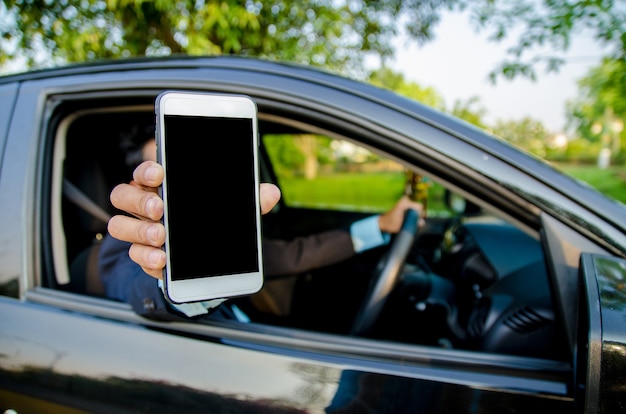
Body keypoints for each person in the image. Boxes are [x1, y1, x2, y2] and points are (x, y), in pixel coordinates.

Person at [100, 125, 423, 321]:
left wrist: (380, 225)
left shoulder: (234, 230)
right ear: (144, 182)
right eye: (166, 172)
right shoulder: (127, 243)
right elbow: (133, 288)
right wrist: (179, 281)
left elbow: (291, 255)